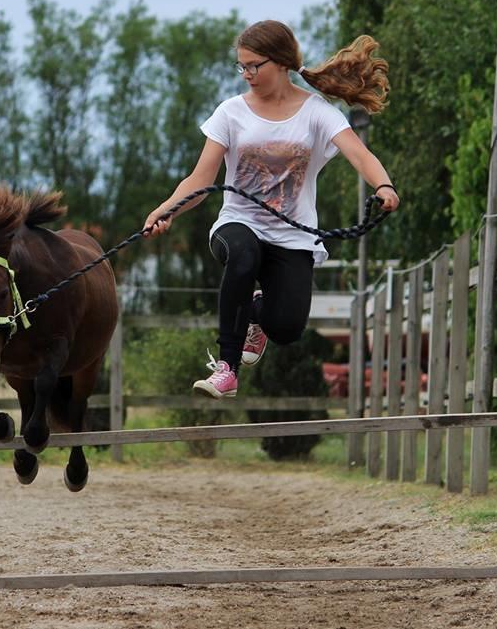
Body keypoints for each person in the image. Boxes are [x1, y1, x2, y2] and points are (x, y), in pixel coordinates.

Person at [142, 20, 400, 399]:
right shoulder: (230, 113)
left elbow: (358, 154)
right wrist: (166, 210)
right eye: (241, 66)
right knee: (243, 257)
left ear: (280, 62)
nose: (246, 74)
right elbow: (201, 179)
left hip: (293, 235)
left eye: (253, 66)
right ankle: (227, 369)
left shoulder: (316, 112)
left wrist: (384, 185)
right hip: (237, 224)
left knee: (287, 328)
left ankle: (259, 313)